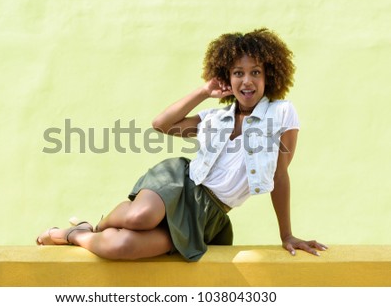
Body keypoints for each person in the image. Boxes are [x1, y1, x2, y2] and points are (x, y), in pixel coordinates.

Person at [36, 28, 327, 261]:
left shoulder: (282, 113)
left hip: (209, 213)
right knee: (141, 216)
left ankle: (75, 234)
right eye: (238, 72)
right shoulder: (215, 117)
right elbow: (161, 124)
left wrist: (286, 235)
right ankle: (98, 227)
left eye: (255, 72)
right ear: (228, 77)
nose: (246, 80)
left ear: (269, 76)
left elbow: (279, 175)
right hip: (180, 182)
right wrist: (203, 91)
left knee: (122, 247)